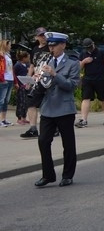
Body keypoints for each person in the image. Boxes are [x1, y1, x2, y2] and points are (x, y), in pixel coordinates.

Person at [33, 32, 79, 187]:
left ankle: (67, 175)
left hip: (64, 108)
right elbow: (43, 86)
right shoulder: (46, 61)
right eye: (49, 45)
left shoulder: (72, 64)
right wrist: (35, 80)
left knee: (68, 144)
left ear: (63, 45)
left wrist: (54, 74)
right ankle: (48, 175)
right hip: (48, 107)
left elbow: (71, 85)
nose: (51, 48)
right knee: (43, 141)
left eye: (54, 45)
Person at [75, 37, 104, 127]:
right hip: (87, 79)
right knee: (85, 98)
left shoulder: (101, 52)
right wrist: (84, 62)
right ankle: (83, 119)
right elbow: (78, 68)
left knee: (103, 98)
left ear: (93, 44)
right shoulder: (83, 54)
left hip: (100, 79)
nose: (89, 49)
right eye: (87, 48)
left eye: (90, 47)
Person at [20, 27, 51, 138]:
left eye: (44, 35)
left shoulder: (50, 47)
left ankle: (54, 127)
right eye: (41, 35)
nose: (43, 37)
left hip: (48, 78)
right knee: (31, 102)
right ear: (36, 37)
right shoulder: (35, 50)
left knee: (48, 103)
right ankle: (33, 128)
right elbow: (32, 65)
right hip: (37, 79)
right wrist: (28, 79)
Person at [14, 50, 31, 125]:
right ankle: (19, 117)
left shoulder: (27, 65)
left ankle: (24, 117)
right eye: (27, 58)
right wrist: (16, 84)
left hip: (26, 85)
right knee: (21, 102)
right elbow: (14, 75)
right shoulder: (17, 65)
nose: (28, 59)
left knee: (26, 102)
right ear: (23, 58)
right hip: (21, 86)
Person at [0, 40, 13, 126]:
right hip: (4, 80)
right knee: (1, 100)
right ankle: (0, 119)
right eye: (9, 45)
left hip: (10, 79)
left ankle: (3, 119)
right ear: (5, 45)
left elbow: (11, 69)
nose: (10, 47)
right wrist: (2, 79)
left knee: (6, 100)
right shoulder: (1, 56)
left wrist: (15, 81)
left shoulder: (8, 56)